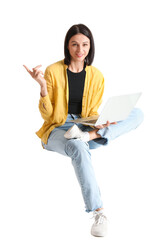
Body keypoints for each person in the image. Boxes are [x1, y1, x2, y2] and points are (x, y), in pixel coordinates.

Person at [23, 23, 144, 237]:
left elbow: (92, 110)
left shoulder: (97, 75)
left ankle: (91, 135)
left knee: (137, 113)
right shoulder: (52, 71)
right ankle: (98, 212)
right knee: (77, 146)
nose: (80, 49)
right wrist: (42, 87)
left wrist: (99, 124)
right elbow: (48, 115)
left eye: (85, 44)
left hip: (85, 126)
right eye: (75, 44)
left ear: (91, 47)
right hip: (57, 128)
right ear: (67, 47)